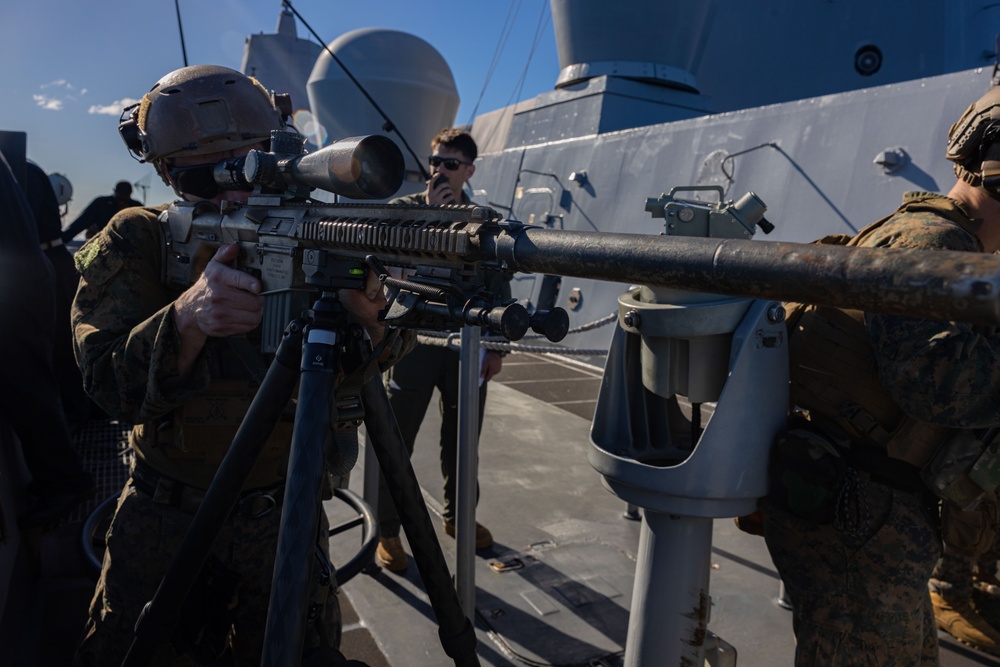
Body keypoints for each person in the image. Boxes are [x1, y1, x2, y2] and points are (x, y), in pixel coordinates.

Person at [70, 65, 386, 667]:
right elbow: (103, 386)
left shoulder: (319, 231)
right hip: (167, 515)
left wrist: (370, 323)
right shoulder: (140, 240)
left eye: (251, 162)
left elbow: (360, 380)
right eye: (204, 176)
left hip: (284, 514)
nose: (234, 190)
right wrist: (186, 320)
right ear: (166, 174)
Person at [762, 85, 1000, 665]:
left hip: (882, 507)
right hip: (857, 508)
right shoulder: (930, 242)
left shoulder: (954, 242)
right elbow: (935, 382)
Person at [374, 128, 510, 572]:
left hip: (466, 342)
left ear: (469, 170)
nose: (439, 170)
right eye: (435, 161)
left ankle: (459, 518)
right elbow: (378, 254)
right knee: (396, 439)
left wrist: (496, 349)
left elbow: (497, 282)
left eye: (450, 164)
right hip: (411, 341)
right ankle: (388, 531)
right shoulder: (403, 211)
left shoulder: (483, 218)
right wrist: (433, 216)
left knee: (463, 438)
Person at [0, 147, 94, 529]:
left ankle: (65, 483)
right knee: (36, 379)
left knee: (27, 386)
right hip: (27, 273)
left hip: (16, 281)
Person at [60, 179, 141, 242]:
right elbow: (81, 222)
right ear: (115, 192)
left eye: (125, 196)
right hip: (103, 244)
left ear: (130, 194)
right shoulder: (101, 204)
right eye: (120, 196)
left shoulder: (137, 208)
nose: (122, 200)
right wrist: (62, 240)